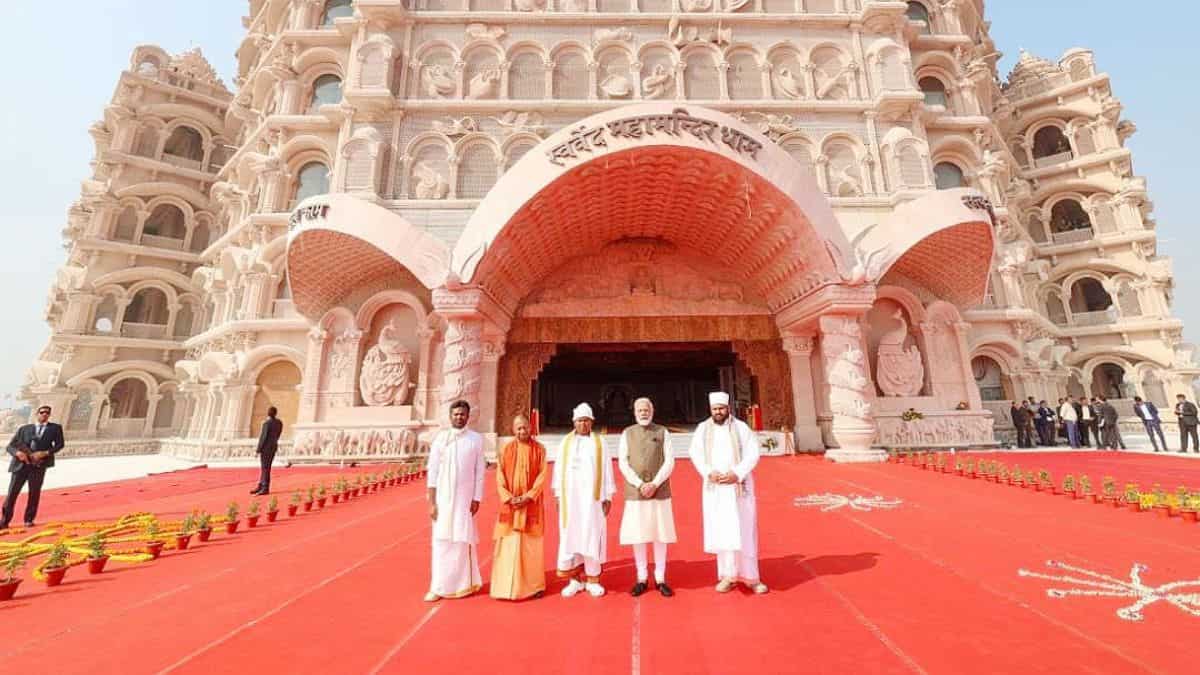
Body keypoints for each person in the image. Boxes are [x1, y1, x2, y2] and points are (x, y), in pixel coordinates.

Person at [688, 392, 767, 595]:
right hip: (716, 489)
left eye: (721, 408)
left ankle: (751, 577)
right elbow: (695, 453)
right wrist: (708, 472)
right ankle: (728, 576)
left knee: (745, 531)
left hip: (739, 487)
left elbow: (752, 454)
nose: (718, 412)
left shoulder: (741, 428)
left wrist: (737, 473)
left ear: (728, 408)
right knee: (723, 532)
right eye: (715, 409)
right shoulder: (703, 429)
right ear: (710, 410)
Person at [552, 403, 615, 598]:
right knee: (571, 537)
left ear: (592, 422)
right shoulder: (565, 443)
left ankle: (592, 580)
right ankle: (575, 580)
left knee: (591, 536)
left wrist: (608, 496)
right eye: (580, 421)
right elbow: (558, 470)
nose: (583, 424)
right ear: (574, 422)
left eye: (587, 421)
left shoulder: (600, 443)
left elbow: (607, 470)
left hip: (592, 502)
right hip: (570, 501)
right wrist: (557, 495)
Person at [425, 400, 486, 602]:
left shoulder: (476, 439)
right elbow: (432, 471)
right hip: (443, 500)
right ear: (450, 416)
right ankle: (438, 586)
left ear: (468, 417)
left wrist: (477, 497)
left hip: (464, 500)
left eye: (462, 414)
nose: (459, 417)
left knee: (462, 540)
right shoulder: (441, 439)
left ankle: (464, 584)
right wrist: (432, 501)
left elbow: (479, 472)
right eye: (456, 414)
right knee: (441, 542)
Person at [618, 397, 677, 598]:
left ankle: (660, 577)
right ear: (634, 412)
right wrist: (640, 484)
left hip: (659, 491)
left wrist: (655, 483)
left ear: (652, 411)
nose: (643, 413)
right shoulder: (627, 433)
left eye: (646, 409)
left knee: (660, 534)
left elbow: (669, 461)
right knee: (639, 535)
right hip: (636, 492)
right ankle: (641, 577)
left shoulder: (662, 432)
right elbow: (623, 463)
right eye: (640, 410)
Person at [491, 415, 548, 601]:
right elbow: (499, 477)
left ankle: (534, 587)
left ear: (531, 428)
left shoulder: (539, 449)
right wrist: (508, 497)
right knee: (508, 544)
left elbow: (542, 476)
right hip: (511, 506)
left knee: (531, 546)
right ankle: (504, 588)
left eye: (525, 428)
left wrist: (529, 496)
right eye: (519, 429)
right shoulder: (506, 449)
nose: (522, 432)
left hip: (530, 505)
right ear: (513, 429)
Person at [2, 405, 65, 529]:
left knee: (34, 494)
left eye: (47, 413)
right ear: (37, 413)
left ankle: (28, 520)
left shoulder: (55, 428)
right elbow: (10, 446)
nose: (44, 414)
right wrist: (18, 453)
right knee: (12, 494)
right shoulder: (24, 429)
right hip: (20, 466)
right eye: (42, 412)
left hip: (38, 465)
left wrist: (46, 453)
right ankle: (4, 521)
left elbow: (60, 445)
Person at [251, 406, 283, 495]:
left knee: (265, 468)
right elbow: (278, 434)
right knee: (266, 468)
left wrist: (258, 450)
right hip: (273, 447)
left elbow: (263, 437)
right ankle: (261, 485)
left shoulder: (267, 423)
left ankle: (265, 487)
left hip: (266, 448)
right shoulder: (279, 423)